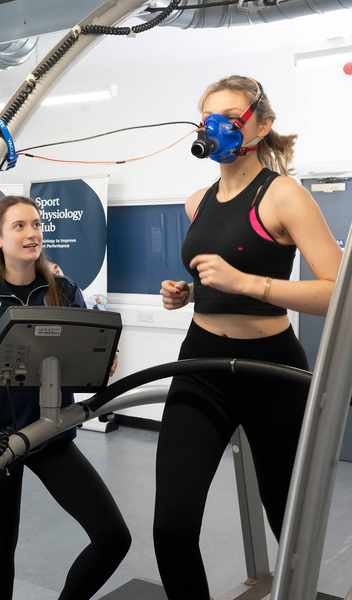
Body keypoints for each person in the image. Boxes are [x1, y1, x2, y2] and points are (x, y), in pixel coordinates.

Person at [156, 75, 342, 599]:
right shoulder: (197, 202)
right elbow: (214, 278)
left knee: (289, 520)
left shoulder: (284, 196)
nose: (215, 127)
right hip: (202, 362)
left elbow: (337, 292)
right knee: (171, 526)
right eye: (207, 116)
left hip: (271, 368)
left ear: (259, 124)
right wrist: (188, 294)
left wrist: (249, 285)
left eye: (230, 115)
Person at [0, 195, 130, 600]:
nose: (32, 233)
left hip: (50, 434)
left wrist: (103, 365)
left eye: (36, 224)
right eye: (20, 226)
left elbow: (90, 360)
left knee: (113, 536)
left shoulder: (63, 291)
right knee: (2, 544)